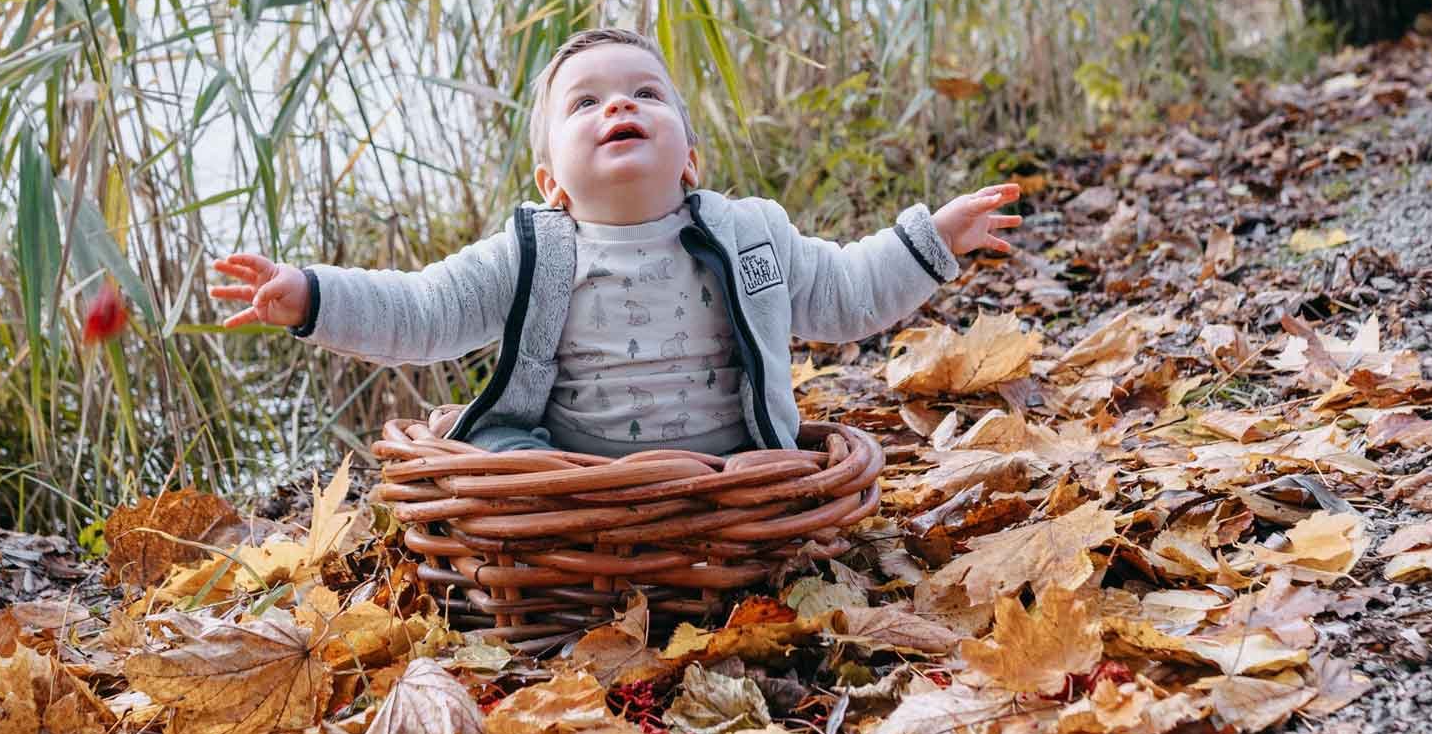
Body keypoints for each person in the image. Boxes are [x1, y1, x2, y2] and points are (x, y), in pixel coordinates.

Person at [210, 28, 1020, 455]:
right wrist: (314, 295)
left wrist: (931, 238)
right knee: (502, 467)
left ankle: (751, 521)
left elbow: (846, 293)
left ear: (691, 161)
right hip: (579, 474)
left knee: (789, 470)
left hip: (730, 472)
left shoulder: (748, 234)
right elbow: (425, 309)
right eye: (585, 102)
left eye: (644, 93)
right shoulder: (535, 252)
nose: (617, 107)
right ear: (550, 181)